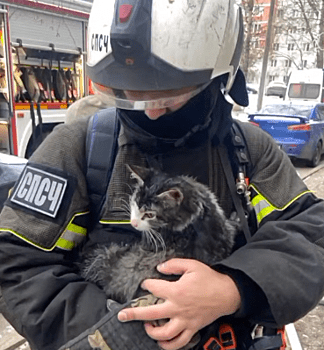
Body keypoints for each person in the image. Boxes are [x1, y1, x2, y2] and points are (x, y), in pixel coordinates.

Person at [0, 0, 324, 349]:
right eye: (131, 96)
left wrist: (234, 288)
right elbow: (16, 262)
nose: (151, 113)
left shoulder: (249, 151)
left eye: (171, 96)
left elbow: (310, 234)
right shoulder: (77, 148)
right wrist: (117, 331)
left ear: (219, 81)